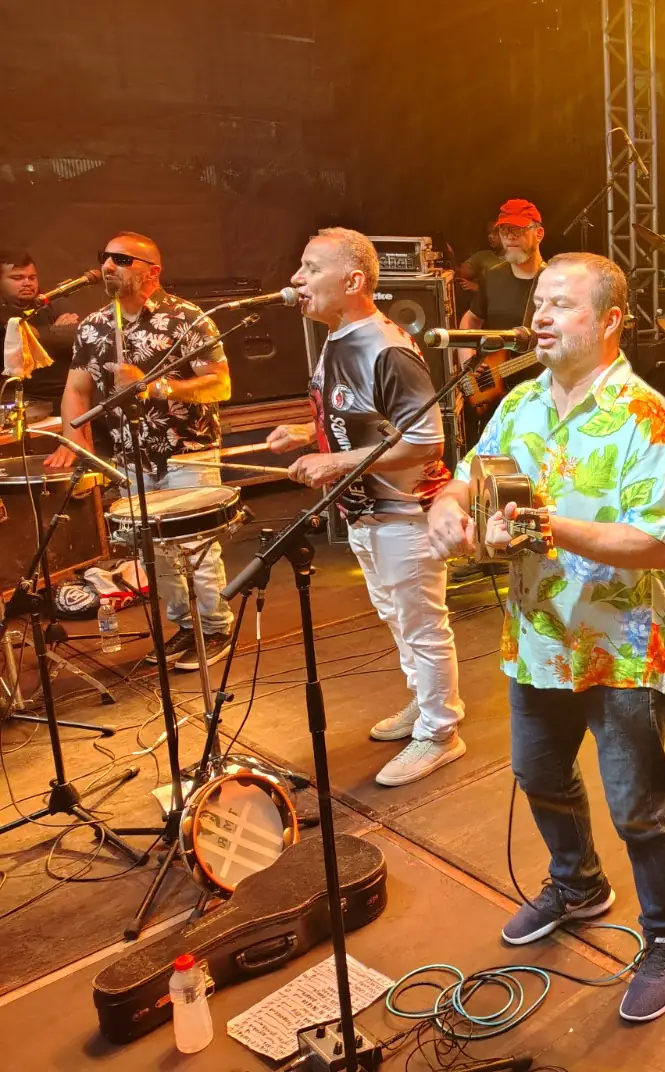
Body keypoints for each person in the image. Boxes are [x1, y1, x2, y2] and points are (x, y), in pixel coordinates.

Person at [426, 251, 665, 1024]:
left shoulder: (645, 416)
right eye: (538, 302)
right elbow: (470, 478)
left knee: (638, 807)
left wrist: (548, 526)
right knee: (539, 774)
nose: (539, 316)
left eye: (561, 304)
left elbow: (654, 543)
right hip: (539, 639)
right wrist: (448, 508)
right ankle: (578, 885)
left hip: (622, 647)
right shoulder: (519, 404)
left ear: (609, 322)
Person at [266, 227, 465, 787]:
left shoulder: (386, 348)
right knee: (398, 617)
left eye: (311, 269)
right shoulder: (339, 337)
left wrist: (333, 462)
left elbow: (425, 441)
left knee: (421, 624)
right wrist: (308, 431)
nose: (296, 279)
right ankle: (425, 702)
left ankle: (441, 732)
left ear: (353, 281)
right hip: (367, 512)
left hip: (406, 512)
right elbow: (361, 416)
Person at [44, 232, 234, 669]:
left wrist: (156, 386)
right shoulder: (95, 325)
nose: (109, 266)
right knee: (155, 550)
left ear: (152, 272)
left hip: (188, 450)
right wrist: (78, 446)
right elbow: (76, 390)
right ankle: (185, 626)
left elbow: (221, 384)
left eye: (123, 259)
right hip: (131, 456)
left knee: (195, 548)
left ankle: (215, 628)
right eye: (105, 258)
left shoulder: (187, 317)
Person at [0, 250, 80, 419]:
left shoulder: (53, 300)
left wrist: (37, 335)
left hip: (65, 396)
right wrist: (56, 332)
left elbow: (78, 337)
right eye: (17, 278)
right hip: (18, 400)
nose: (27, 283)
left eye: (32, 277)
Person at [461, 198, 545, 332]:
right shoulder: (491, 276)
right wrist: (466, 345)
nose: (510, 237)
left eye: (518, 230)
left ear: (538, 234)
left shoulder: (556, 280)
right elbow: (471, 319)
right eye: (504, 230)